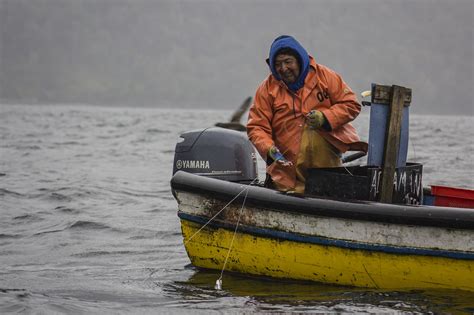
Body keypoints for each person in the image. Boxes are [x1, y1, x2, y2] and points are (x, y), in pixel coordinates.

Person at [247, 35, 367, 193]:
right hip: (286, 177)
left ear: (299, 59)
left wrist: (325, 118)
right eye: (277, 64)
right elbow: (256, 126)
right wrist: (268, 149)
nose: (283, 68)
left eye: (288, 62)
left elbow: (351, 104)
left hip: (327, 173)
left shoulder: (325, 77)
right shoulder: (266, 89)